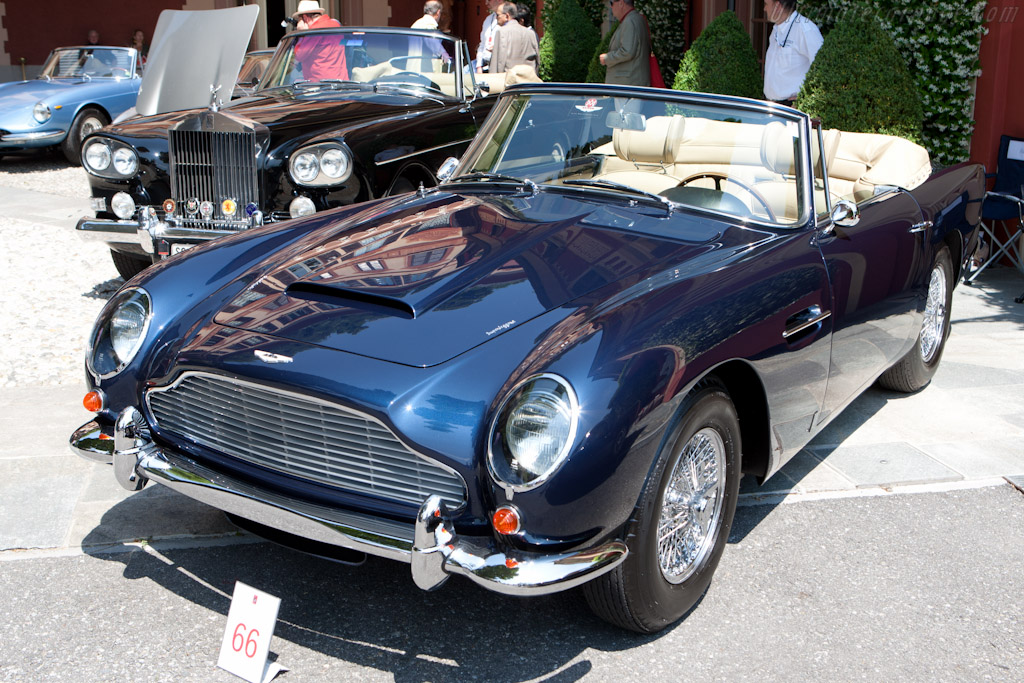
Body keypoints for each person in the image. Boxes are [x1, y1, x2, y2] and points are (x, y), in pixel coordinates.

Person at [762, 0, 823, 106]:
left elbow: (823, 68)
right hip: (772, 106)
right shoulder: (776, 30)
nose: (764, 9)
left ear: (777, 6)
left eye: (766, 4)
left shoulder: (806, 29)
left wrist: (805, 98)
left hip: (792, 109)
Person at [292, 0, 348, 82]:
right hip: (342, 82)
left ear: (305, 18)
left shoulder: (314, 32)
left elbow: (299, 55)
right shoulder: (335, 24)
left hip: (321, 86)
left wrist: (302, 34)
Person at [599, 0, 650, 87]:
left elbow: (627, 52)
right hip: (633, 84)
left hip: (627, 85)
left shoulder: (629, 21)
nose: (611, 7)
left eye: (612, 3)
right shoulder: (637, 19)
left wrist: (607, 58)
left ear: (621, 3)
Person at [489, 2, 538, 75]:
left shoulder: (501, 32)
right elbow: (537, 60)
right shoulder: (531, 33)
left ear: (506, 16)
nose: (496, 17)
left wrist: (493, 79)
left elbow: (499, 61)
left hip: (509, 80)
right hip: (529, 79)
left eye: (498, 15)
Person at [475, 0, 502, 73]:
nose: (486, 3)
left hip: (498, 66)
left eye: (489, 0)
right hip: (485, 63)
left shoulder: (507, 21)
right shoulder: (488, 19)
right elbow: (482, 44)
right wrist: (479, 65)